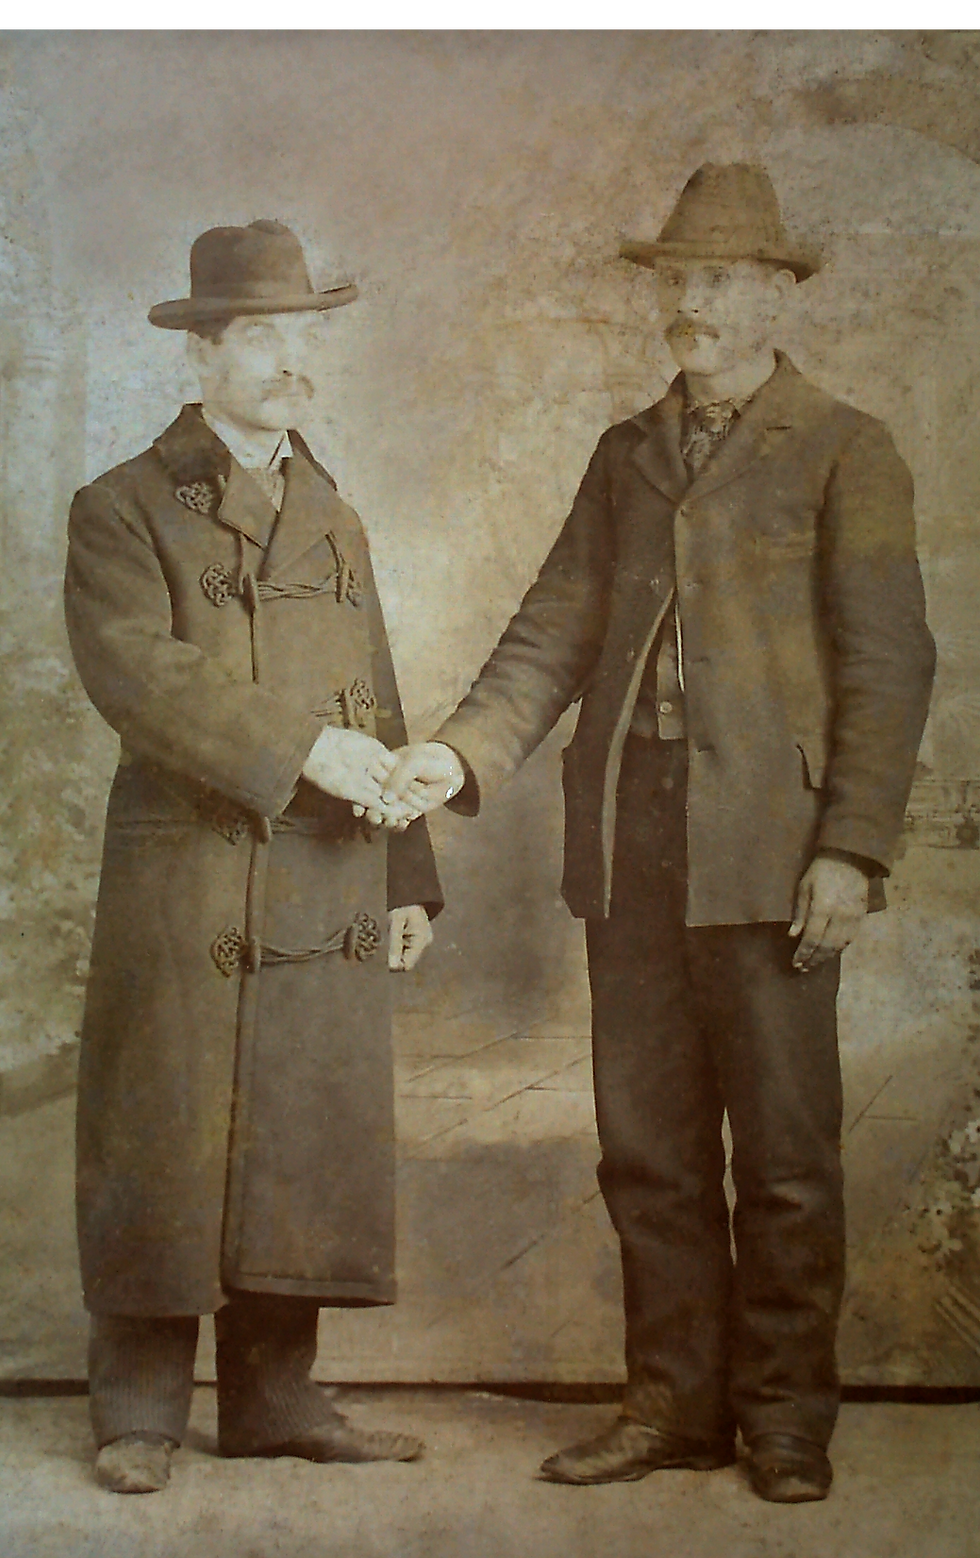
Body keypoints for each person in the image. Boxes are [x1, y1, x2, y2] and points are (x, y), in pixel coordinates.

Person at [385, 165, 936, 1503]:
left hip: (776, 859)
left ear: (774, 295)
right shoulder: (624, 453)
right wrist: (455, 755)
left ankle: (787, 1417)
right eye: (676, 279)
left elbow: (891, 663)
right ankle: (674, 1406)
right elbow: (550, 632)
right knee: (650, 1148)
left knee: (791, 1158)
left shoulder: (845, 444)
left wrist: (851, 849)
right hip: (633, 851)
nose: (690, 303)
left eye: (720, 279)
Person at [64, 220, 442, 1494]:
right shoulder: (120, 505)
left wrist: (408, 867)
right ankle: (139, 1411)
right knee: (163, 1129)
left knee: (299, 1127)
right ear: (206, 354)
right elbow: (139, 677)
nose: (293, 364)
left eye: (305, 337)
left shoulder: (331, 507)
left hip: (329, 866)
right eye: (264, 338)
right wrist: (302, 749)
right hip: (190, 869)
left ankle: (278, 1398)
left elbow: (377, 691)